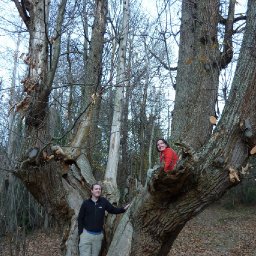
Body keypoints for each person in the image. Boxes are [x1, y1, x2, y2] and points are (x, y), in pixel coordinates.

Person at [78, 183, 129, 256]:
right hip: (86, 235)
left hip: (98, 237)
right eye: (96, 189)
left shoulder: (103, 201)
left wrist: (123, 209)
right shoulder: (86, 203)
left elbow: (112, 210)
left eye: (99, 189)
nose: (98, 190)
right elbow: (80, 218)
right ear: (91, 191)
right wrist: (81, 233)